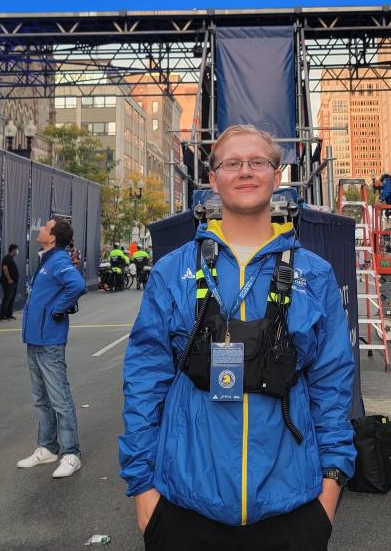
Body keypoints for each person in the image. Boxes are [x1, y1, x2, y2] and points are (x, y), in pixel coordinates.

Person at [120, 124, 354, 550]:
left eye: (258, 162)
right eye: (232, 163)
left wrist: (331, 485)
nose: (245, 171)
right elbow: (144, 379)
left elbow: (333, 384)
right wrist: (142, 488)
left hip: (294, 506)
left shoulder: (314, 275)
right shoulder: (173, 270)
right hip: (184, 505)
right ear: (213, 178)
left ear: (277, 174)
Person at [17, 218, 87, 478]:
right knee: (40, 398)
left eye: (46, 227)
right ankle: (47, 447)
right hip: (35, 339)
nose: (41, 229)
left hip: (49, 341)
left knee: (59, 397)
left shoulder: (58, 261)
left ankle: (71, 453)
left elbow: (78, 285)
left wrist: (57, 309)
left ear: (53, 237)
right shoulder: (47, 259)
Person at [0, 244, 20, 320]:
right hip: (8, 283)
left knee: (11, 299)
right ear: (13, 250)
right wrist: (9, 279)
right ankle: (3, 316)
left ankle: (9, 315)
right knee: (7, 299)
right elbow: (5, 268)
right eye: (16, 250)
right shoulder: (7, 258)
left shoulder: (11, 258)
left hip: (13, 283)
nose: (17, 251)